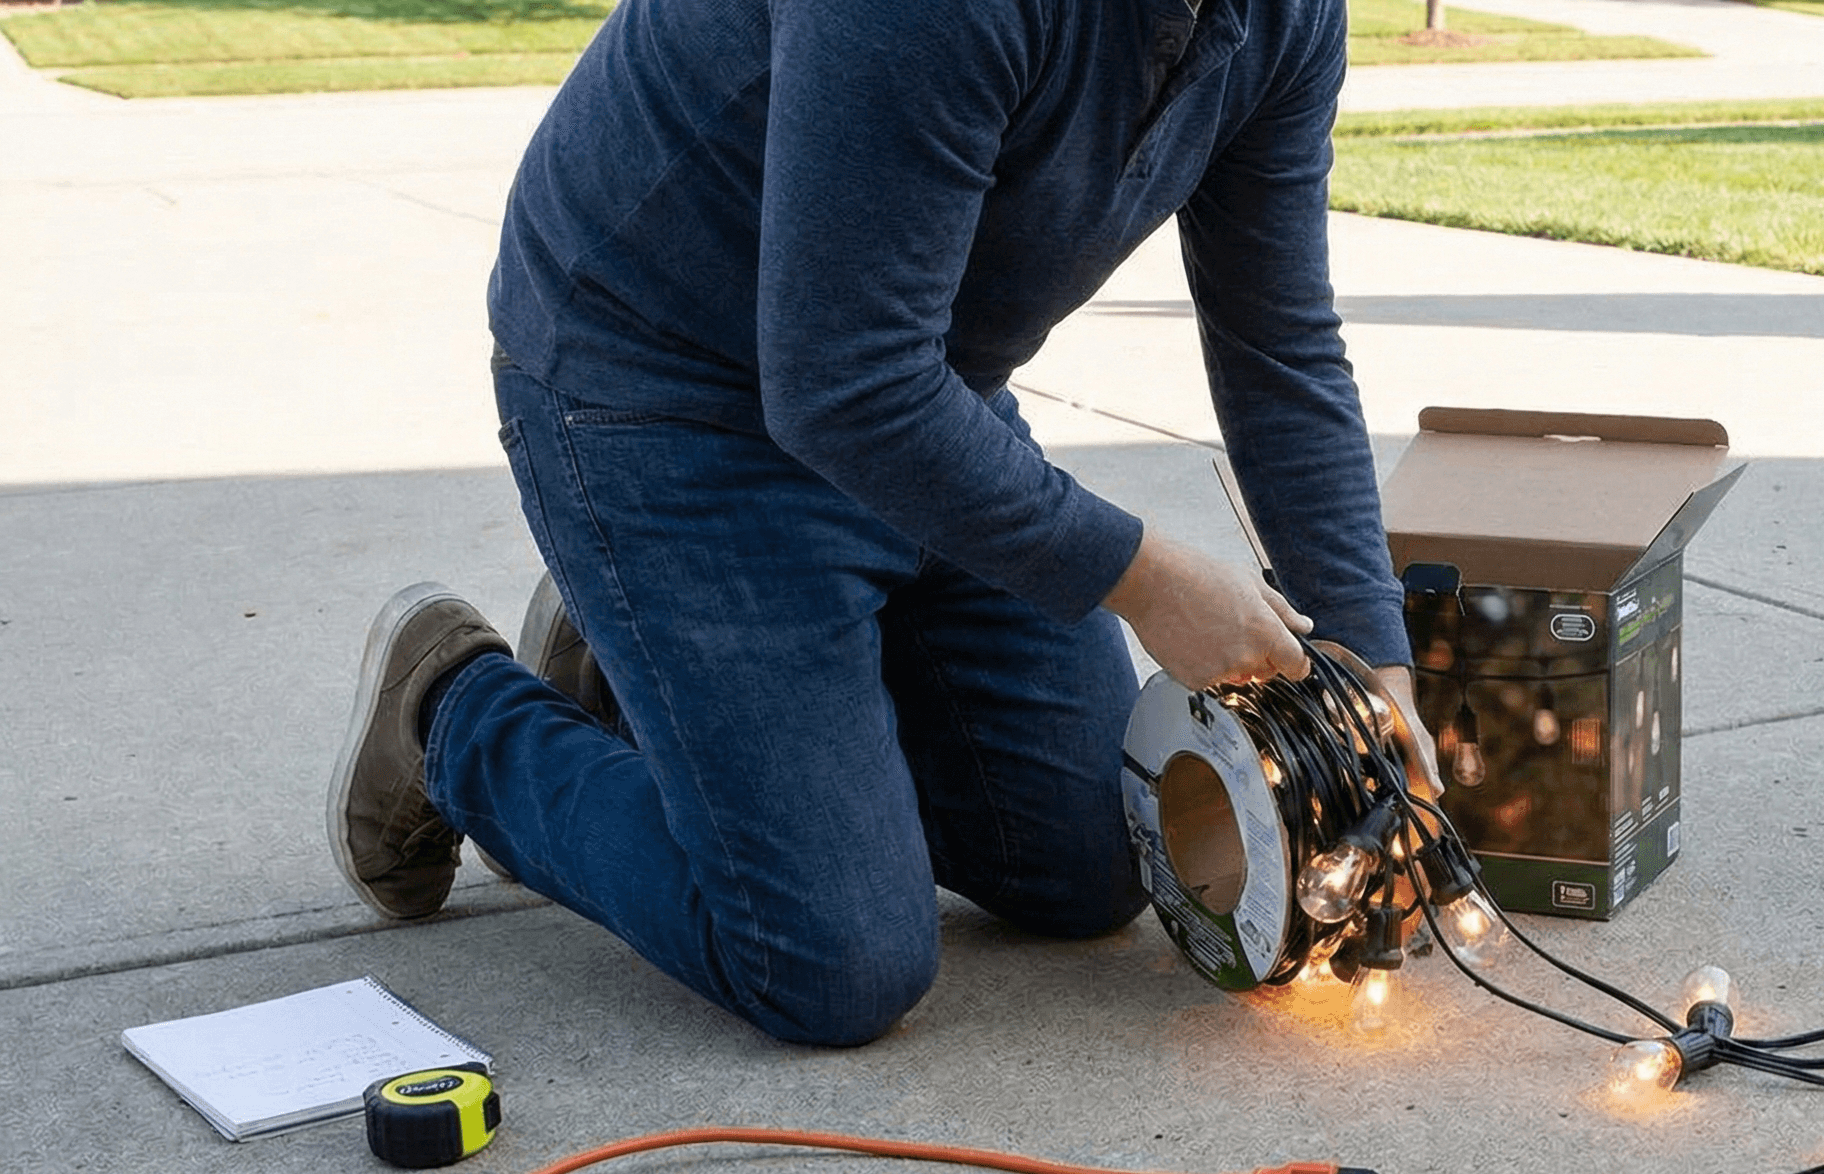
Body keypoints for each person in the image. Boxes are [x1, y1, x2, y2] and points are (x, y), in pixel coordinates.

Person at [327, 0, 1429, 1047]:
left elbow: (1278, 347)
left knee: (1094, 864)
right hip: (660, 392)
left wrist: (1372, 665)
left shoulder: (1284, 17)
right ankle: (452, 711)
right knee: (826, 960)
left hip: (917, 388)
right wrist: (1139, 577)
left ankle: (634, 657)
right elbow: (839, 385)